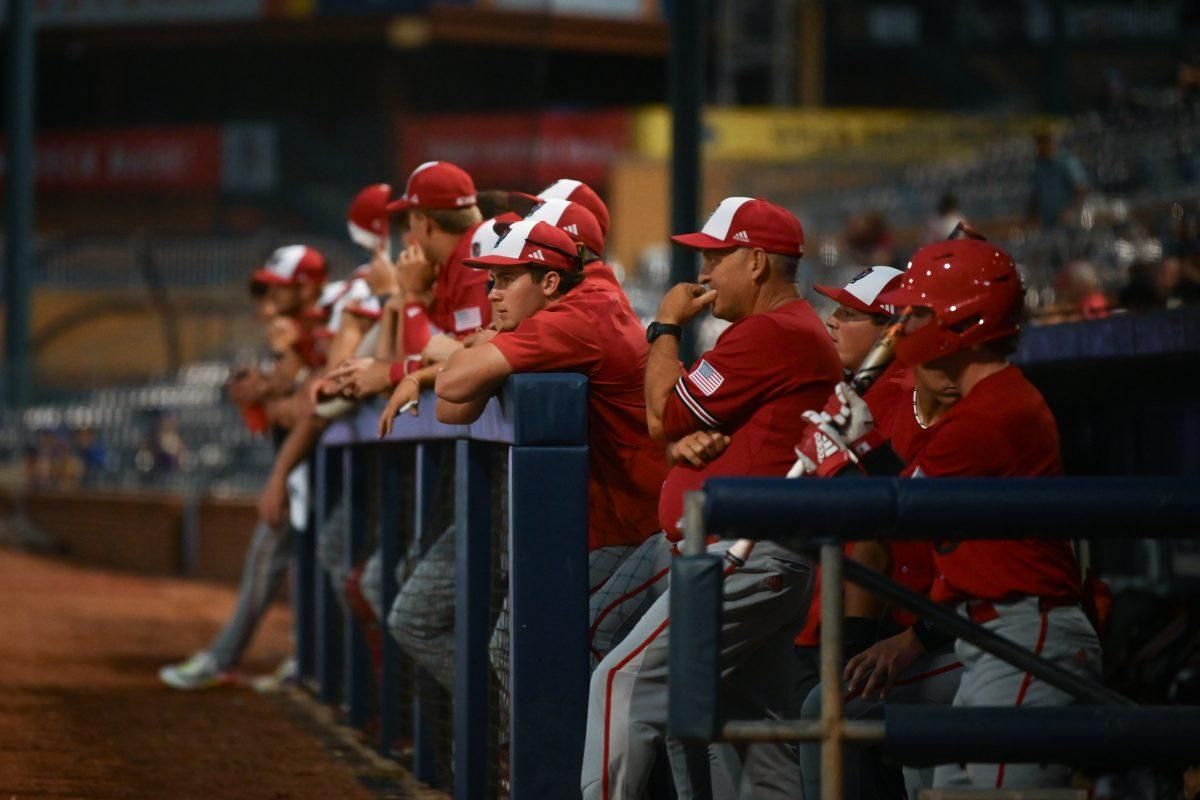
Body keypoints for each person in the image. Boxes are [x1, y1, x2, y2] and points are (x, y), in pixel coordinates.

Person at [801, 237, 1101, 791]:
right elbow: (914, 502)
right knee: (941, 785)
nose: (905, 326)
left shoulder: (990, 413)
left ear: (962, 322)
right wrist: (864, 446)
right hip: (985, 632)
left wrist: (848, 460)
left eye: (920, 312)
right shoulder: (982, 404)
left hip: (1024, 634)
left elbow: (904, 517)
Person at [582, 196, 841, 800]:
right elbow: (676, 426)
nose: (702, 274)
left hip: (743, 554)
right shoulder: (782, 331)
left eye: (715, 257)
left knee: (620, 682)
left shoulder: (772, 332)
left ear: (754, 261)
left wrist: (667, 326)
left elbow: (663, 414)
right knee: (749, 740)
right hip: (760, 555)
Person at [159, 245, 329, 690]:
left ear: (308, 288)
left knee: (289, 563)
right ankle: (304, 661)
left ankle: (235, 659)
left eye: (279, 289)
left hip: (321, 473)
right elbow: (282, 406)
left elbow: (304, 409)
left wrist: (269, 394)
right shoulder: (294, 337)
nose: (267, 300)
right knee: (299, 566)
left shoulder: (321, 330)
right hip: (309, 473)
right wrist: (265, 389)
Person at [1028, 128, 1088, 230]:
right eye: (1039, 143)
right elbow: (1035, 194)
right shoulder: (1039, 166)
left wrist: (1070, 211)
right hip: (1048, 221)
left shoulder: (1066, 161)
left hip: (1069, 220)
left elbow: (1081, 189)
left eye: (1044, 142)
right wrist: (1032, 216)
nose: (1041, 147)